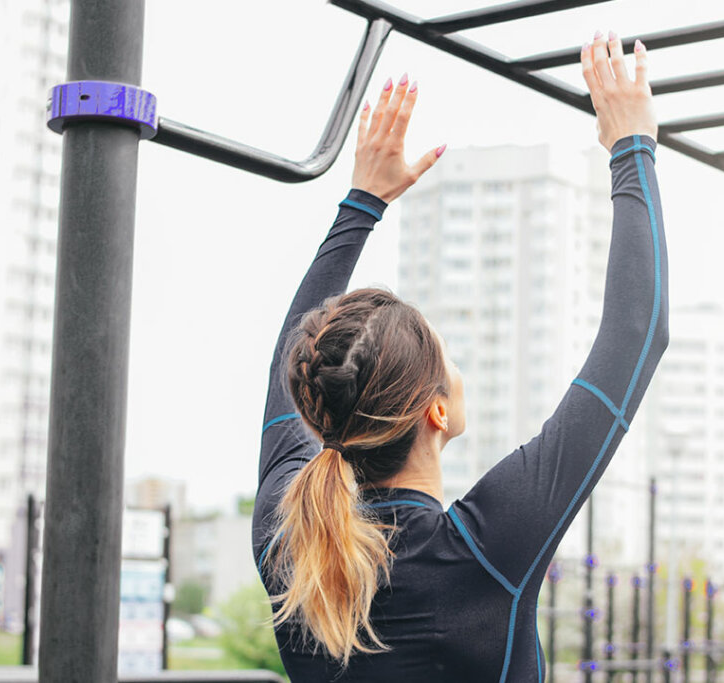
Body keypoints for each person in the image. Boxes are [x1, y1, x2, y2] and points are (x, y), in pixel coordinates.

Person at [252, 28, 667, 682]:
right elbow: (637, 331)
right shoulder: (480, 551)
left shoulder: (288, 543)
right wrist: (631, 145)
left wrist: (362, 204)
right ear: (436, 411)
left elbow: (636, 331)